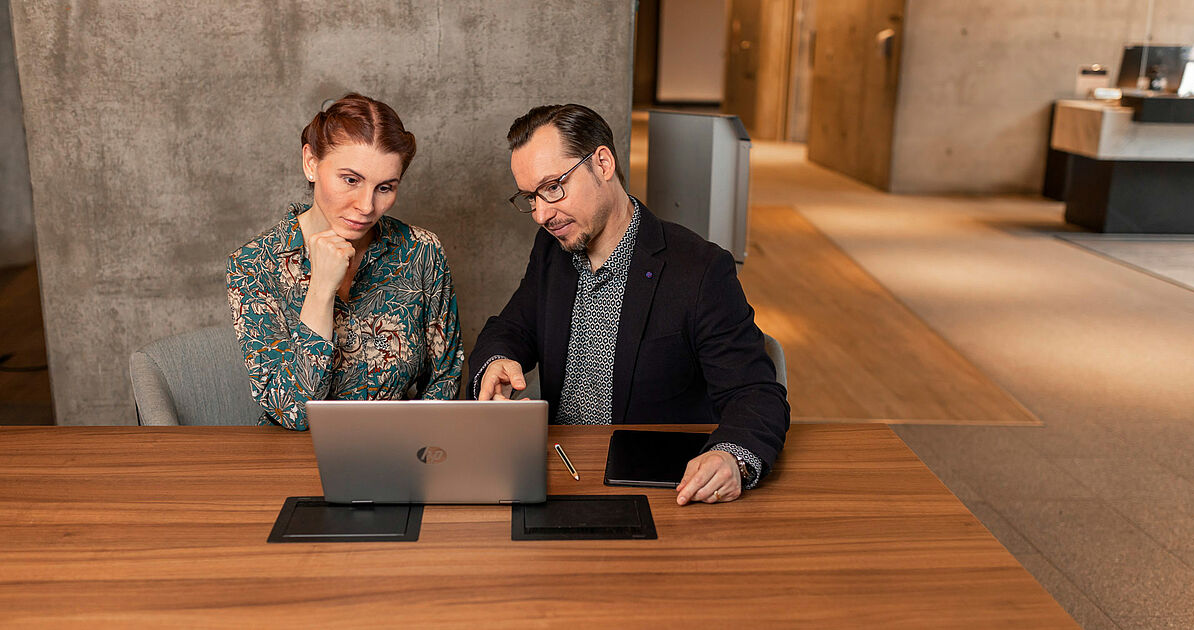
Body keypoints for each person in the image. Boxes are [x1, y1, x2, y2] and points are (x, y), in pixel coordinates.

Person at [470, 104, 788, 505]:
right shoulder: (552, 249)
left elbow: (755, 392)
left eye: (552, 188)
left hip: (656, 491)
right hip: (560, 476)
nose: (541, 214)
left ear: (603, 163)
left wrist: (731, 458)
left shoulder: (700, 269)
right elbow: (511, 327)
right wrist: (497, 360)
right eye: (530, 197)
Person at [227, 93, 463, 430]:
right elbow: (293, 412)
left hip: (400, 447)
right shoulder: (253, 265)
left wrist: (416, 448)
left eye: (385, 187)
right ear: (311, 163)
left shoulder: (422, 252)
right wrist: (322, 289)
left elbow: (445, 380)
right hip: (296, 454)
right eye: (351, 180)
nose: (366, 206)